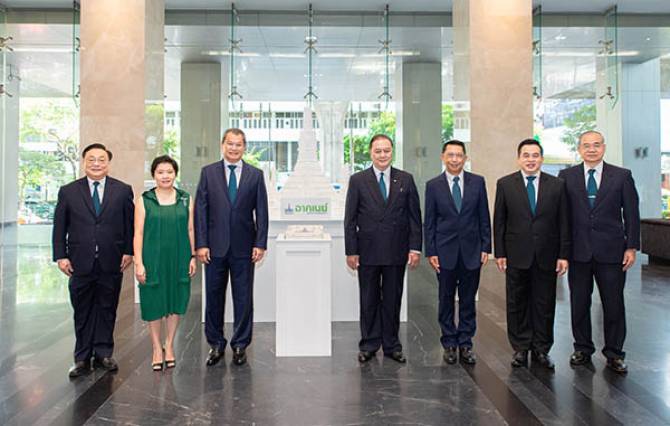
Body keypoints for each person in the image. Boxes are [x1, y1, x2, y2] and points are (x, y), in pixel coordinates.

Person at [558, 130, 640, 374]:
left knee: (613, 304)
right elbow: (562, 217)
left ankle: (614, 353)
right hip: (578, 252)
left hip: (612, 252)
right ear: (579, 149)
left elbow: (631, 214)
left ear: (603, 147)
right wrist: (562, 252)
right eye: (586, 145)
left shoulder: (622, 176)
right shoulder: (566, 177)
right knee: (579, 303)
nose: (591, 149)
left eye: (596, 145)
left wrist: (631, 246)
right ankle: (582, 348)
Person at [52, 143, 134, 378]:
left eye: (101, 159)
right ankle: (81, 357)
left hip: (112, 259)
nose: (96, 163)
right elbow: (60, 226)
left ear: (108, 163)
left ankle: (103, 353)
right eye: (91, 159)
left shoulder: (122, 190)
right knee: (82, 309)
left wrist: (128, 251)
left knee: (108, 307)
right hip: (79, 261)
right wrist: (61, 256)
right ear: (84, 162)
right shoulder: (68, 191)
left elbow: (129, 224)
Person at [344, 134, 422, 364]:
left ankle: (391, 345)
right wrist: (351, 251)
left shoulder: (405, 179)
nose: (382, 155)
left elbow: (414, 217)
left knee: (392, 300)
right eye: (378, 151)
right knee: (368, 300)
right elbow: (350, 219)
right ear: (371, 152)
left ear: (392, 152)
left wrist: (415, 248)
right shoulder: (358, 180)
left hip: (396, 251)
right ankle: (369, 344)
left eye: (386, 150)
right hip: (367, 251)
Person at [493, 139, 570, 370]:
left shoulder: (557, 185)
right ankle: (520, 347)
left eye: (535, 155)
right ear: (519, 159)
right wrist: (500, 252)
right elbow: (499, 221)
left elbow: (564, 222)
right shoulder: (505, 184)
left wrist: (563, 254)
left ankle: (541, 349)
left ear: (541, 159)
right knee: (517, 302)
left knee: (544, 303)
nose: (530, 159)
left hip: (547, 254)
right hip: (516, 253)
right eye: (526, 155)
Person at [195, 128, 269, 367]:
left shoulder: (255, 175)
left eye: (238, 144)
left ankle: (240, 344)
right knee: (213, 297)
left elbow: (262, 212)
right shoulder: (208, 173)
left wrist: (260, 243)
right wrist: (201, 243)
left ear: (244, 147)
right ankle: (216, 344)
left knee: (243, 298)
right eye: (230, 143)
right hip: (214, 248)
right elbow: (200, 211)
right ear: (222, 145)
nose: (234, 148)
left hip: (244, 248)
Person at [424, 140, 491, 365]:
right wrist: (431, 251)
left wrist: (486, 247)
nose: (455, 159)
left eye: (459, 155)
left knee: (468, 299)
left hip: (472, 251)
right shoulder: (433, 185)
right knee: (445, 299)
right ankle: (449, 343)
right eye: (450, 155)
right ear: (443, 157)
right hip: (444, 252)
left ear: (465, 158)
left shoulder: (477, 182)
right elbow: (429, 221)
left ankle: (465, 343)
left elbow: (484, 216)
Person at [134, 156, 196, 371]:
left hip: (179, 257)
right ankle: (155, 347)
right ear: (154, 175)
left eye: (169, 172)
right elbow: (138, 233)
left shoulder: (185, 198)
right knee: (154, 302)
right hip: (152, 259)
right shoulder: (145, 200)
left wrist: (192, 256)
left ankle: (169, 345)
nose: (165, 176)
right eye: (160, 172)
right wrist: (139, 262)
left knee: (176, 300)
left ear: (175, 174)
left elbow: (190, 229)